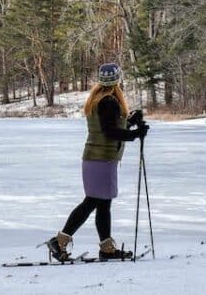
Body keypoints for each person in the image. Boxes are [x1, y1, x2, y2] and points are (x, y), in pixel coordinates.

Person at [47, 63, 149, 262]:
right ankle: (59, 241)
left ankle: (106, 247)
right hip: (100, 159)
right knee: (93, 201)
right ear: (117, 80)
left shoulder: (99, 98)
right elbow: (109, 132)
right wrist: (135, 134)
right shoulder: (109, 101)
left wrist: (129, 122)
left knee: (103, 203)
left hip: (99, 158)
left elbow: (109, 126)